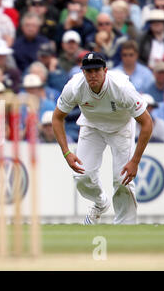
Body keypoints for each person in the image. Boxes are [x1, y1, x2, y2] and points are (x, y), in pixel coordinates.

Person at [52, 52, 153, 225]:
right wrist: (66, 152)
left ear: (105, 71)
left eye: (96, 71)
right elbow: (57, 118)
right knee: (82, 177)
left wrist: (135, 161)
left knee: (122, 181)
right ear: (83, 72)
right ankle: (100, 202)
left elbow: (147, 123)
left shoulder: (121, 87)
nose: (92, 75)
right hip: (91, 126)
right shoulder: (74, 86)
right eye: (88, 71)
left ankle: (125, 228)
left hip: (121, 128)